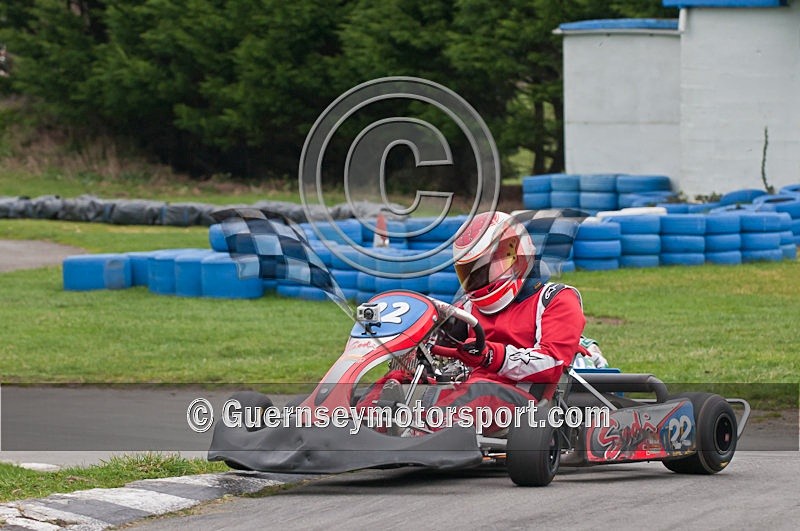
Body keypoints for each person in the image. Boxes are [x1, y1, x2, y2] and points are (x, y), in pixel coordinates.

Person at [364, 211, 606, 433]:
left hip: (522, 398)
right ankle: (352, 423)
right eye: (469, 273)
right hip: (469, 386)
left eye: (483, 270)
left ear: (515, 255)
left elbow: (551, 363)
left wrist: (492, 356)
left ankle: (418, 432)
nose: (477, 280)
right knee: (396, 382)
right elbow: (440, 345)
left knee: (478, 392)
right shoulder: (469, 307)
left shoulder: (557, 299)